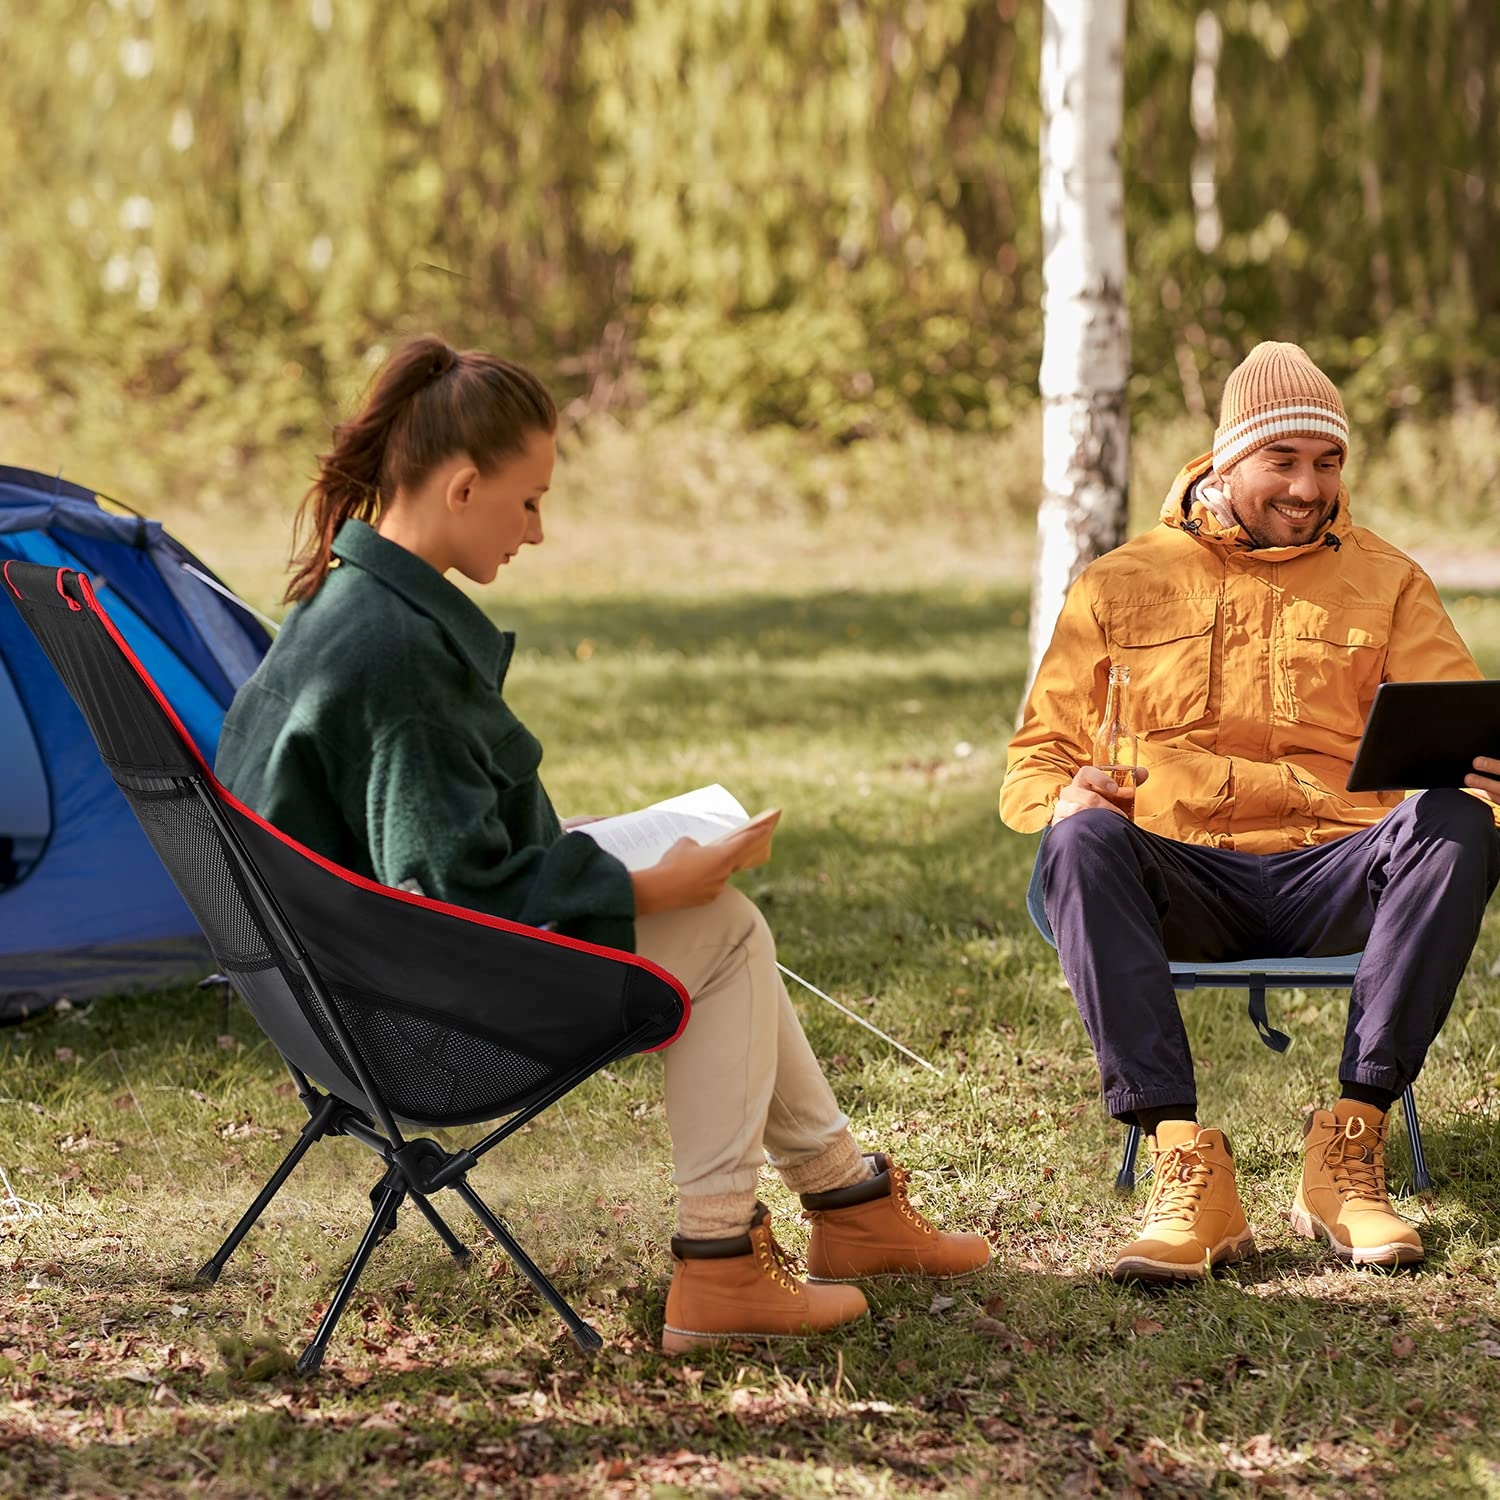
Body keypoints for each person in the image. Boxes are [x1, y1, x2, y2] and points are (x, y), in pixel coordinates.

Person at [216, 334, 989, 1351]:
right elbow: (453, 899)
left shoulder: (348, 608)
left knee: (717, 920)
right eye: (528, 500)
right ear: (458, 487)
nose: (538, 531)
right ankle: (720, 1268)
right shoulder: (398, 658)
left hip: (335, 1001)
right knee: (719, 925)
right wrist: (639, 887)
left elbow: (413, 849)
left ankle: (847, 1207)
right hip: (406, 1026)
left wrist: (586, 850)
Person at [1001, 341, 1500, 1282]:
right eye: (1285, 461)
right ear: (1225, 459)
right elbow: (1034, 763)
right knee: (1077, 838)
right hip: (1184, 873)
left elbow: (1464, 733)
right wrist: (1066, 793)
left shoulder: (1389, 580)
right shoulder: (1118, 581)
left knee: (1458, 821)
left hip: (1340, 871)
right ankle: (1186, 1162)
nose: (1310, 488)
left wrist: (1484, 785)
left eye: (1329, 463)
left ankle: (1350, 1147)